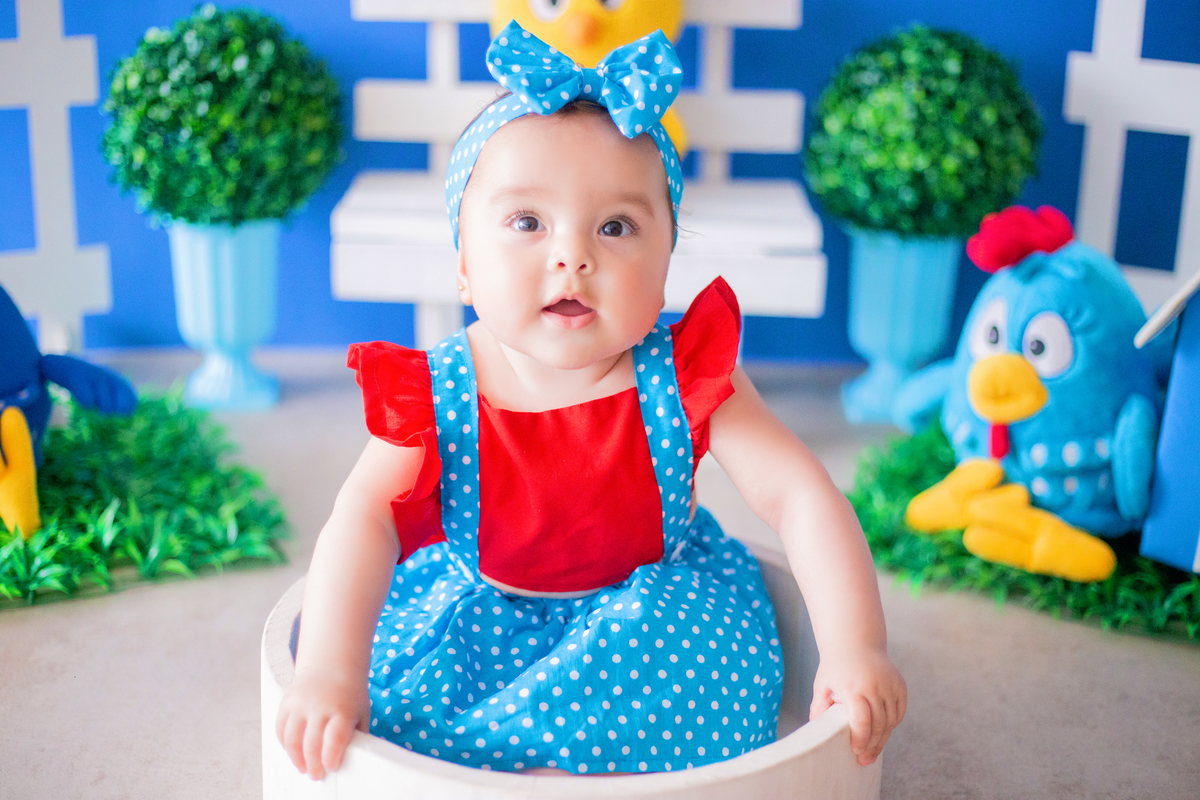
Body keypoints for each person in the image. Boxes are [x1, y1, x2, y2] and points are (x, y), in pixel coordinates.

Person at [276, 21, 906, 781]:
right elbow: (364, 517)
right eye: (526, 223)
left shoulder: (683, 373)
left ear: (667, 263)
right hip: (483, 607)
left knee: (703, 696)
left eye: (615, 226)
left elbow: (800, 496)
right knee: (404, 721)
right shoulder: (443, 390)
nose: (573, 256)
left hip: (649, 611)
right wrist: (329, 670)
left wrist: (853, 646)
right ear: (465, 268)